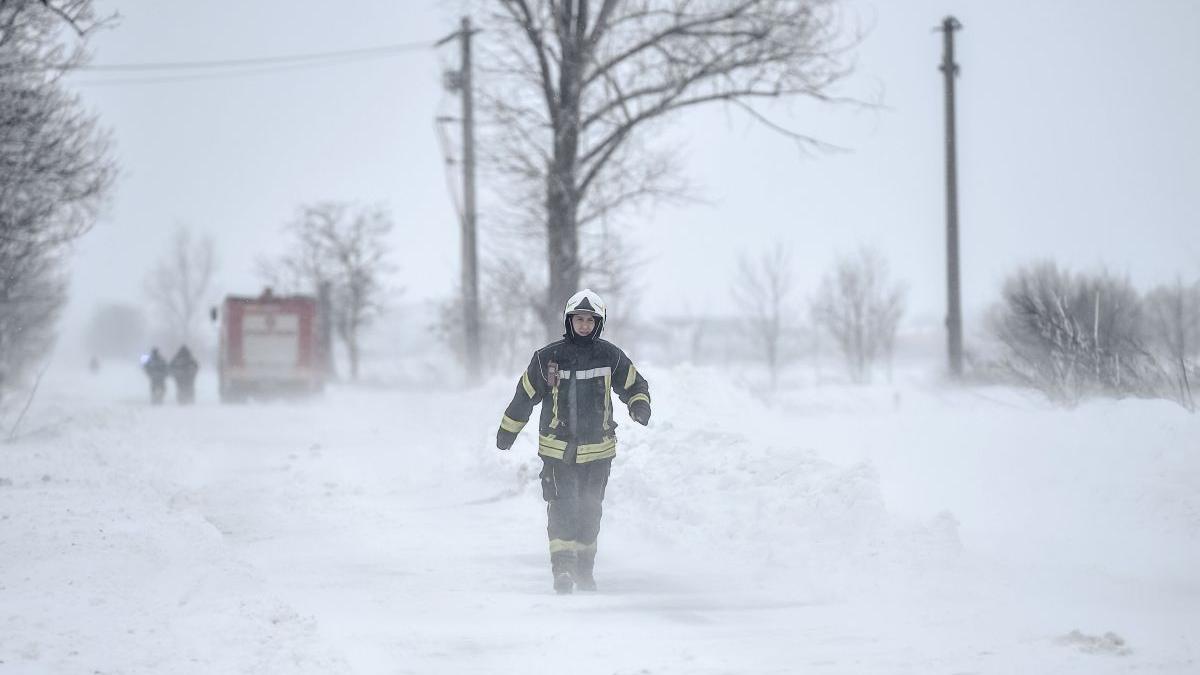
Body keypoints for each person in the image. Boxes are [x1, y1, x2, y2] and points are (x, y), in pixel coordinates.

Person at [496, 289, 652, 594]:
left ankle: (584, 570)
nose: (583, 325)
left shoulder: (610, 356)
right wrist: (507, 431)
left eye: (589, 320)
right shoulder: (548, 358)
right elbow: (524, 396)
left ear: (599, 323)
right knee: (563, 508)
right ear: (569, 321)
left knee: (590, 511)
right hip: (558, 453)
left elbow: (635, 383)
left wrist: (639, 404)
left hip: (598, 453)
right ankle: (563, 570)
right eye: (578, 319)